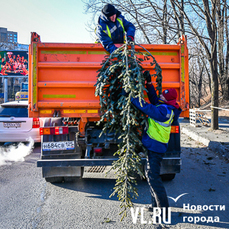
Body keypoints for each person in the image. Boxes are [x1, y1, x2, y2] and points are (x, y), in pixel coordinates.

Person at [131, 71, 182, 217]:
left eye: (163, 96)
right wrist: (148, 82)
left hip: (156, 147)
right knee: (150, 174)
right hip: (153, 146)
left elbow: (148, 107)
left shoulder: (164, 112)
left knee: (154, 178)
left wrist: (132, 97)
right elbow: (154, 98)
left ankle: (163, 211)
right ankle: (155, 207)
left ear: (167, 100)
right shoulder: (165, 107)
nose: (160, 96)